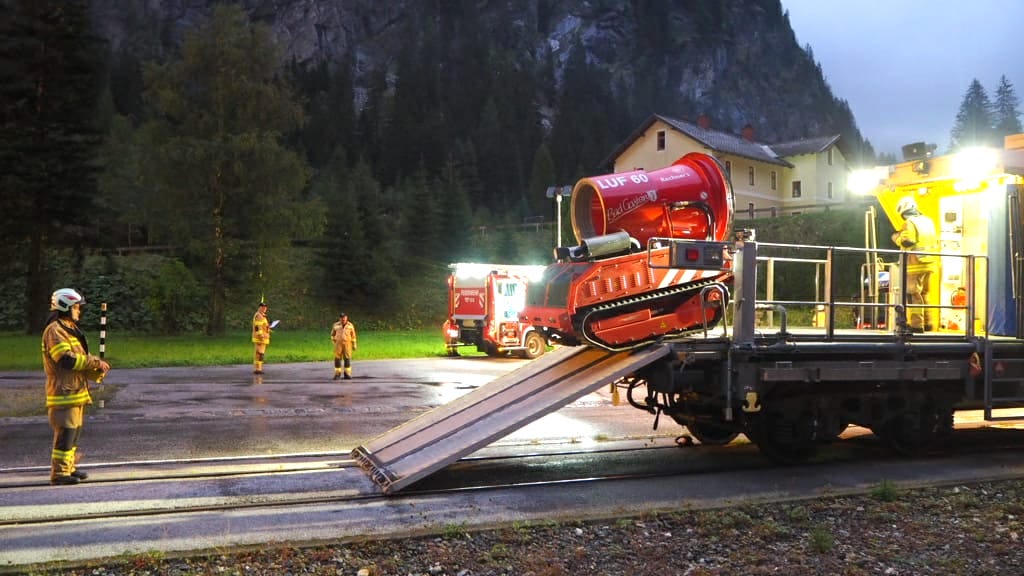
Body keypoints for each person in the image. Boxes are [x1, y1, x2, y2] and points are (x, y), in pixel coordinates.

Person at [42, 288, 110, 486]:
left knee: (73, 433)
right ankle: (59, 473)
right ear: (65, 306)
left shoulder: (68, 328)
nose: (79, 311)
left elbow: (77, 361)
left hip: (74, 392)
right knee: (66, 434)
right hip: (63, 393)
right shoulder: (55, 330)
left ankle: (68, 467)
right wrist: (94, 362)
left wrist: (94, 371)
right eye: (76, 307)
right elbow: (66, 360)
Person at [891, 196, 938, 332]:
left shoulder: (909, 223)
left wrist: (896, 238)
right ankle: (928, 323)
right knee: (925, 294)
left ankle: (917, 325)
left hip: (915, 264)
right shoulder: (928, 221)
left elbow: (907, 241)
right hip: (930, 263)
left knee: (914, 295)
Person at [330, 312, 357, 380]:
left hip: (347, 344)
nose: (343, 319)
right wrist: (334, 341)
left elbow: (353, 336)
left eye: (344, 318)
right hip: (338, 344)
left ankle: (347, 373)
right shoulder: (336, 325)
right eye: (342, 318)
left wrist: (354, 344)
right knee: (337, 358)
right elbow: (332, 334)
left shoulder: (350, 325)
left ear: (346, 318)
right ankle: (337, 374)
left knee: (347, 358)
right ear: (340, 318)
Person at [252, 302, 271, 374]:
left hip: (261, 338)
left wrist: (268, 327)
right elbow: (257, 327)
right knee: (260, 354)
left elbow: (262, 326)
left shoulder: (262, 315)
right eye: (263, 307)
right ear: (259, 307)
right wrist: (261, 336)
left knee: (259, 354)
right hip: (260, 339)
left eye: (265, 307)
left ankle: (258, 369)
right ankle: (258, 369)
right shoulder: (259, 316)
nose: (265, 309)